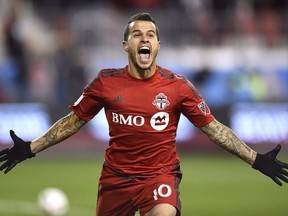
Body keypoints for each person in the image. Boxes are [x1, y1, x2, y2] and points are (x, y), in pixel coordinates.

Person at [0, 12, 287, 216]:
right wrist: (30, 148)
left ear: (158, 45)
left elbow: (213, 128)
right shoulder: (105, 82)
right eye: (137, 34)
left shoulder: (178, 87)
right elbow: (72, 123)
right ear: (126, 46)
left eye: (151, 35)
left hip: (159, 176)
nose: (144, 39)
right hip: (116, 179)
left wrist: (256, 159)